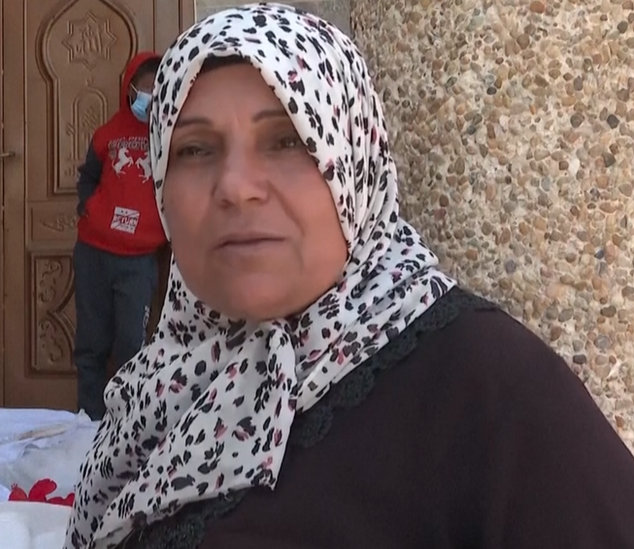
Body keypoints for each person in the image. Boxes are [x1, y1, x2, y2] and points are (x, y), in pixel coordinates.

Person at [64, 4, 634, 548]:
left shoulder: (487, 389)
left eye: (288, 140)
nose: (236, 186)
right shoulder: (156, 390)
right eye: (193, 150)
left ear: (354, 162)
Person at [73, 51, 167, 421]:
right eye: (143, 90)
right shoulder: (107, 135)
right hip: (94, 251)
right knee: (91, 345)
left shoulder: (169, 137)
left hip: (139, 259)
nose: (148, 98)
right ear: (129, 90)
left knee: (131, 344)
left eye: (155, 91)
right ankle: (87, 422)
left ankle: (127, 424)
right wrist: (88, 207)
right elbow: (88, 176)